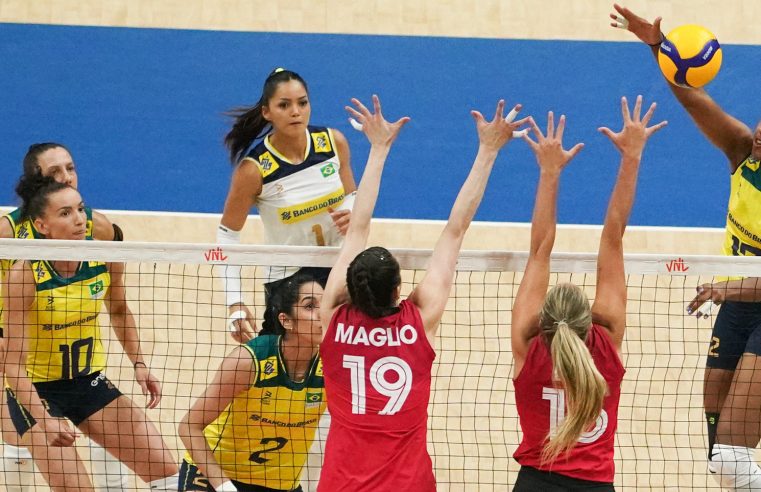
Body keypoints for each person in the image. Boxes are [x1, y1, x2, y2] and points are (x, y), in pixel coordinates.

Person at [318, 95, 527, 491]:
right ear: (400, 289)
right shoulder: (418, 320)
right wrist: (488, 150)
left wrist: (378, 148)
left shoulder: (333, 318)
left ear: (350, 287)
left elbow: (357, 228)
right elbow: (455, 229)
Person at [611, 5, 761, 488]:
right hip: (737, 304)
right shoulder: (743, 152)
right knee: (720, 455)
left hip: (748, 298)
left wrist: (722, 292)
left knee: (735, 458)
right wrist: (659, 48)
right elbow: (696, 100)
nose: (759, 134)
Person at [510, 97, 665, 491]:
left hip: (535, 484)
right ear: (589, 320)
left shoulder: (528, 343)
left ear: (544, 318)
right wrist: (632, 156)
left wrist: (548, 172)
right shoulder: (606, 338)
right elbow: (613, 237)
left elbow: (539, 248)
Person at [2, 174, 180, 490]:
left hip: (88, 383)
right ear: (42, 226)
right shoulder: (25, 275)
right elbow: (12, 366)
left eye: (81, 209)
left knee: (170, 475)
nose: (79, 220)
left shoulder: (105, 256)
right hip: (37, 392)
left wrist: (139, 363)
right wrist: (45, 419)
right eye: (65, 213)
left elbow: (120, 310)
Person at [0, 142, 128, 491]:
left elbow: (118, 262)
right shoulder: (8, 232)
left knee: (107, 413)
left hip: (67, 337)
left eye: (70, 168)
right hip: (15, 335)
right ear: (34, 180)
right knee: (14, 428)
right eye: (55, 172)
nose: (66, 177)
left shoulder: (92, 225)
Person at [217, 68, 356, 343]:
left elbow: (352, 195)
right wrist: (234, 301)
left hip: (338, 269)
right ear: (267, 112)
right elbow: (226, 235)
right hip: (287, 282)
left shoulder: (333, 143)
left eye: (302, 103)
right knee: (284, 372)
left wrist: (352, 210)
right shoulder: (254, 170)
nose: (296, 112)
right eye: (285, 105)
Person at [178, 271, 326, 492]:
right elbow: (189, 426)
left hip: (279, 485)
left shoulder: (334, 365)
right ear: (286, 320)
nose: (321, 314)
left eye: (325, 305)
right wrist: (224, 487)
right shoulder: (247, 362)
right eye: (309, 306)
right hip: (216, 475)